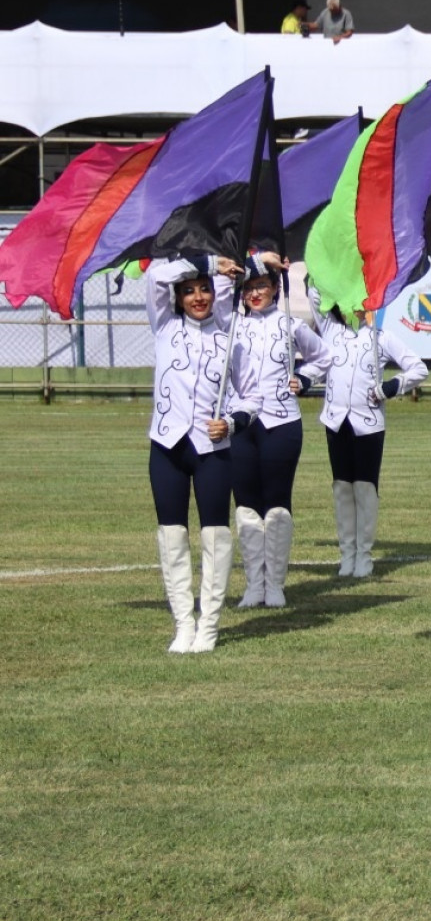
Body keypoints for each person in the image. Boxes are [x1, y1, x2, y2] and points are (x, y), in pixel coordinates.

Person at [147, 254, 244, 654]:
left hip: (212, 448)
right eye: (189, 291)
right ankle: (183, 623)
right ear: (179, 297)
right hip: (167, 444)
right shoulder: (164, 325)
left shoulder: (228, 337)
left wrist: (233, 423)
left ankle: (209, 625)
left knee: (215, 533)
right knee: (172, 533)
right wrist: (207, 262)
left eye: (204, 288)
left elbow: (247, 396)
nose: (198, 296)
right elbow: (155, 277)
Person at [229, 253, 331, 609]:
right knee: (245, 506)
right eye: (248, 288)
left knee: (277, 505)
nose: (255, 293)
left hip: (281, 422)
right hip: (240, 423)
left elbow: (325, 356)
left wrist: (304, 378)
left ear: (275, 288)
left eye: (262, 285)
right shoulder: (229, 326)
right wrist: (255, 258)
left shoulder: (290, 325)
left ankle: (275, 583)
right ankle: (253, 583)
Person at [311, 286, 428, 579]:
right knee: (341, 488)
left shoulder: (381, 337)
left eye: (360, 302)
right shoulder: (330, 330)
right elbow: (315, 292)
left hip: (368, 423)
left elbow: (418, 368)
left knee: (365, 488)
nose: (354, 308)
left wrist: (391, 387)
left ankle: (364, 554)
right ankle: (346, 553)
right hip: (336, 421)